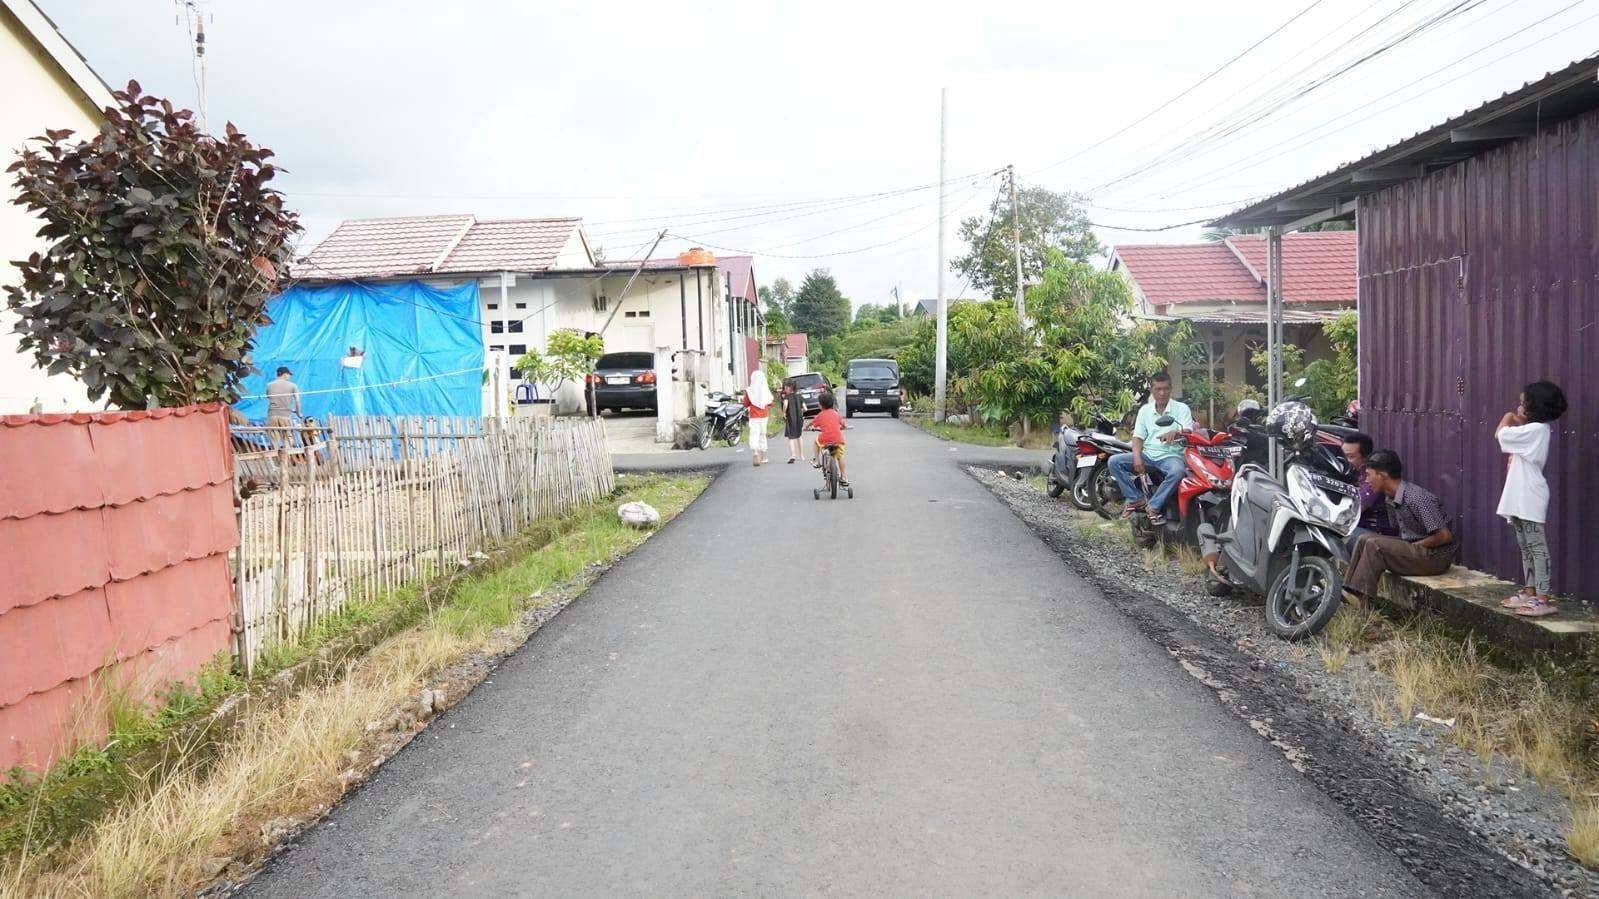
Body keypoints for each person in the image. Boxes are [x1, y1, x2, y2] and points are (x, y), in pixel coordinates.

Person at [1495, 381, 1567, 617]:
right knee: (1526, 546)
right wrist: (1516, 420)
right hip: (1519, 495)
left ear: (1533, 407)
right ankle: (1530, 591)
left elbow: (1500, 434)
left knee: (1536, 547)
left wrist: (1508, 416)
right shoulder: (1531, 430)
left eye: (1523, 402)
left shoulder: (1536, 430)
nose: (1518, 406)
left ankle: (1543, 598)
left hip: (1529, 495)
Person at [1344, 450, 1457, 599]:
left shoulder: (1417, 498)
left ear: (1382, 476)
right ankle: (1348, 591)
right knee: (1364, 539)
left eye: (1369, 475)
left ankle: (1361, 600)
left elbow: (1444, 536)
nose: (1367, 481)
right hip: (1415, 547)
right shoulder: (1390, 497)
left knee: (1374, 545)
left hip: (1435, 557)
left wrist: (1415, 546)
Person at [1109, 372, 1193, 525]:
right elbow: (1138, 437)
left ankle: (1153, 506)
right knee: (1114, 461)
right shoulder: (1145, 410)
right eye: (1158, 389)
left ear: (1171, 389)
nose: (1162, 393)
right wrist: (1137, 457)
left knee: (1178, 471)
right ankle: (1136, 499)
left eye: (1166, 389)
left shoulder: (1182, 408)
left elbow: (1188, 430)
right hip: (1149, 455)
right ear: (1152, 390)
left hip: (1171, 456)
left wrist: (1176, 432)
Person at [1341, 432, 1397, 552]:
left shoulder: (1373, 479)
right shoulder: (1350, 475)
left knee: (1338, 535)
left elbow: (1353, 510)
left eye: (1350, 457)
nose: (1344, 461)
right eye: (1343, 456)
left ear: (1365, 459)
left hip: (1379, 536)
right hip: (1362, 531)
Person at [808, 391, 848, 488]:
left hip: (824, 439)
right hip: (838, 439)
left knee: (816, 442)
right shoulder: (836, 414)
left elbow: (811, 423)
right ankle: (844, 477)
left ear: (820, 405)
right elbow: (844, 424)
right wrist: (844, 426)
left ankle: (817, 461)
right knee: (840, 456)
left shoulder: (820, 415)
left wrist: (806, 427)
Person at [742, 368, 773, 466]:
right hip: (764, 415)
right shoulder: (765, 389)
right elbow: (770, 403)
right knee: (762, 435)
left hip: (754, 415)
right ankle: (764, 457)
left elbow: (746, 403)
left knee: (754, 434)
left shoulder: (749, 390)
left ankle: (755, 453)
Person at [265, 366, 300, 448]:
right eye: (289, 374)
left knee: (274, 438)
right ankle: (286, 457)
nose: (289, 376)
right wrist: (298, 413)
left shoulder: (269, 385)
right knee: (287, 438)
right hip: (285, 415)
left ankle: (276, 456)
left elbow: (269, 397)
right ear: (284, 374)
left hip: (272, 415)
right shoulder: (293, 385)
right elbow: (297, 401)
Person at [781, 380, 807, 464]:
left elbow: (785, 404)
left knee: (791, 438)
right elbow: (805, 408)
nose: (784, 389)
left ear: (789, 388)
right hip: (799, 419)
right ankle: (802, 456)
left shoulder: (787, 397)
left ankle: (793, 455)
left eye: (785, 388)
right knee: (799, 437)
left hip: (790, 418)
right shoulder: (799, 396)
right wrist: (800, 410)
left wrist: (784, 412)